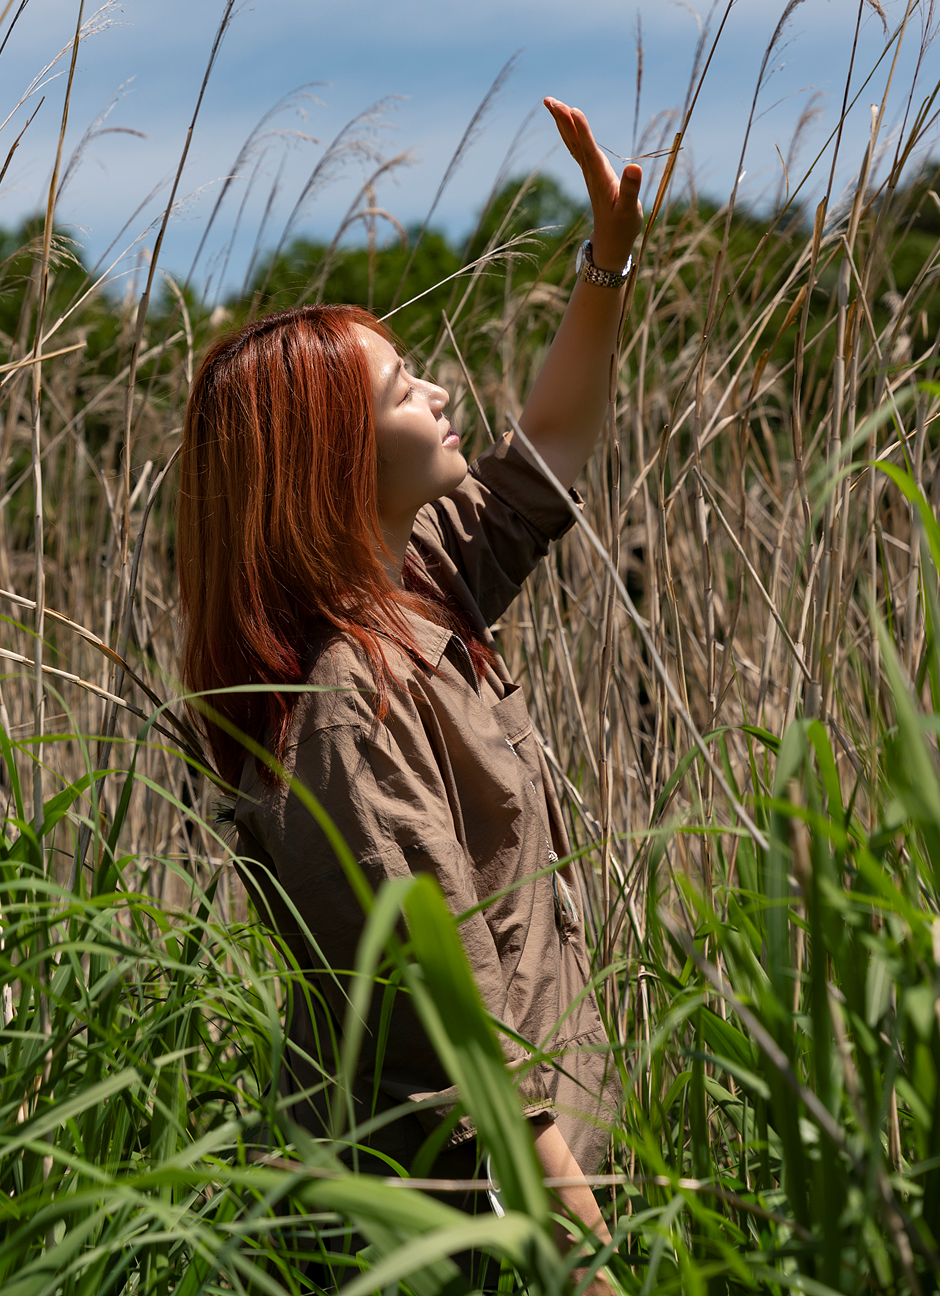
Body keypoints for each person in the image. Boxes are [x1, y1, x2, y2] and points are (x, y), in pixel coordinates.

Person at [177, 100, 643, 1259]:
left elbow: (550, 453)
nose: (438, 395)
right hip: (468, 1224)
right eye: (402, 392)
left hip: (537, 1184)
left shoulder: (422, 587)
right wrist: (582, 1252)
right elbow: (460, 1022)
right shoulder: (350, 697)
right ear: (330, 463)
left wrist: (607, 264)